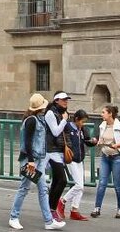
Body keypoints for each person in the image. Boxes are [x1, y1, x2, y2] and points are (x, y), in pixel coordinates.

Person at [9, 93, 63, 230]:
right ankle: (13, 217)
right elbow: (27, 142)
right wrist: (31, 161)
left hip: (37, 160)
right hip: (30, 160)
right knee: (24, 188)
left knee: (43, 190)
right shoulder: (32, 120)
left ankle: (49, 221)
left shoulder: (38, 119)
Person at [91, 104, 120, 219]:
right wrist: (99, 141)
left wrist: (118, 145)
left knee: (117, 185)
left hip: (117, 158)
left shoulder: (119, 126)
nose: (101, 114)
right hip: (105, 157)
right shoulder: (102, 125)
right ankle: (97, 208)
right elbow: (102, 138)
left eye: (103, 112)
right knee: (102, 183)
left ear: (110, 114)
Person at [61, 109, 96, 221]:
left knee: (81, 187)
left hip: (80, 159)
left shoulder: (82, 129)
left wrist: (93, 141)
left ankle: (74, 210)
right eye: (82, 121)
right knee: (79, 185)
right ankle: (62, 201)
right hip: (71, 158)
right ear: (76, 119)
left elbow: (86, 141)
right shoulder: (68, 127)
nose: (83, 124)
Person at [44, 92, 71, 223]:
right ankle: (51, 210)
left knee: (56, 181)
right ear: (56, 101)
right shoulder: (50, 113)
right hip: (51, 151)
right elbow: (55, 131)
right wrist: (65, 120)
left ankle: (50, 210)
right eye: (63, 100)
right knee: (62, 180)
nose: (66, 102)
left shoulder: (61, 113)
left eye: (67, 100)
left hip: (58, 151)